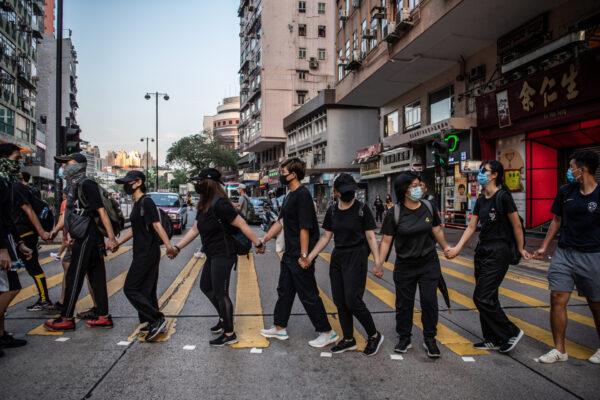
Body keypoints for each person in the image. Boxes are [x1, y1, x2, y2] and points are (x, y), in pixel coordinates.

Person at [169, 168, 264, 346]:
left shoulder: (220, 203)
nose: (197, 184)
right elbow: (195, 229)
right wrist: (177, 247)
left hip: (224, 253)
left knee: (221, 293)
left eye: (200, 181)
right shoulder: (204, 203)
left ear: (209, 183)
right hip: (212, 253)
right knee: (206, 286)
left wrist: (257, 243)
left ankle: (229, 333)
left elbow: (241, 223)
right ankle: (223, 316)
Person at [446, 161, 530, 353]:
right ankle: (492, 338)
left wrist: (521, 248)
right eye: (480, 171)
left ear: (494, 175)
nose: (480, 174)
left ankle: (511, 332)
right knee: (489, 296)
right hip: (483, 251)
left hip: (499, 251)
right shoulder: (482, 198)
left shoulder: (503, 197)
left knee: (481, 297)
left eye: (484, 171)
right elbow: (471, 226)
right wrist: (457, 248)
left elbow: (517, 226)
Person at [259, 158, 338, 348]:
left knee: (308, 294)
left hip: (299, 255)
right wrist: (263, 239)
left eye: (283, 171)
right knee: (284, 291)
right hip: (290, 253)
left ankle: (327, 332)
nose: (281, 174)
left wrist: (305, 256)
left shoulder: (302, 195)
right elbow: (280, 222)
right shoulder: (290, 195)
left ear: (294, 174)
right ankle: (279, 327)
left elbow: (305, 227)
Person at [533, 150, 600, 365]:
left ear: (583, 170)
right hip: (564, 253)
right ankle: (559, 349)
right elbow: (556, 220)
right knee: (557, 298)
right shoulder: (565, 191)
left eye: (572, 167)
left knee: (596, 304)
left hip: (592, 254)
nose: (570, 171)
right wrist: (544, 246)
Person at [305, 173, 384, 356]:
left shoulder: (362, 209)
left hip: (357, 256)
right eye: (345, 191)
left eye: (351, 191)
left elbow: (371, 236)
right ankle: (348, 338)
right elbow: (326, 236)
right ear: (336, 192)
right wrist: (310, 257)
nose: (349, 194)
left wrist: (378, 262)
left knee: (353, 300)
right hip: (338, 256)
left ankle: (374, 335)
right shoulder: (332, 210)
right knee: (340, 301)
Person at [378, 172, 451, 358]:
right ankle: (404, 337)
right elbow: (386, 241)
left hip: (428, 262)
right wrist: (379, 263)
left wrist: (446, 248)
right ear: (404, 190)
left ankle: (430, 339)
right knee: (404, 304)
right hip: (405, 265)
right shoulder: (393, 213)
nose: (419, 188)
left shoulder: (428, 206)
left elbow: (436, 230)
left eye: (419, 184)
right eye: (414, 185)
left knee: (429, 302)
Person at [44, 153, 119, 332]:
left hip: (88, 237)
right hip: (84, 237)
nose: (63, 168)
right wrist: (56, 230)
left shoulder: (87, 184)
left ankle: (66, 317)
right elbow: (69, 214)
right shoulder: (73, 186)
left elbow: (100, 211)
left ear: (78, 165)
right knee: (96, 277)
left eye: (67, 164)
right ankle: (103, 316)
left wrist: (111, 238)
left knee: (74, 276)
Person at [115, 171, 176, 341]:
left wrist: (169, 247)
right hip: (142, 251)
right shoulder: (137, 203)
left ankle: (157, 318)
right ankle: (153, 321)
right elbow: (135, 229)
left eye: (128, 182)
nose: (126, 186)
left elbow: (157, 225)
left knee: (130, 288)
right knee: (147, 290)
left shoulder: (146, 201)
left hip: (148, 252)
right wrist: (117, 243)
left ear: (138, 182)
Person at [0, 143, 32, 357]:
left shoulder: (6, 182)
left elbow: (6, 217)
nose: (18, 163)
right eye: (15, 158)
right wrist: (2, 248)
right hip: (1, 244)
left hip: (9, 240)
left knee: (5, 288)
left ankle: (1, 334)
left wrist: (19, 242)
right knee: (11, 288)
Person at [11, 168, 54, 311]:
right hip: (26, 233)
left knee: (32, 266)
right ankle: (44, 299)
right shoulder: (28, 189)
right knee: (31, 266)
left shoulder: (16, 188)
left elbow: (29, 210)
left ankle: (44, 299)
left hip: (23, 233)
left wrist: (42, 232)